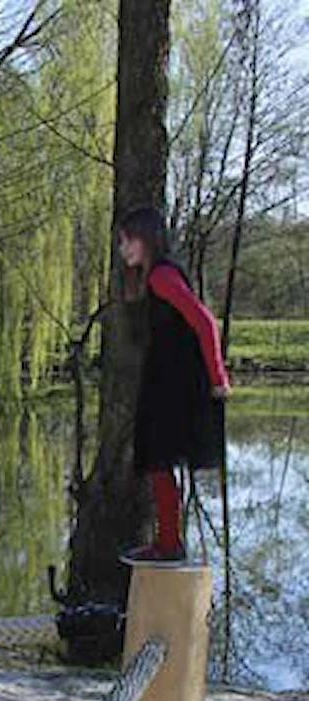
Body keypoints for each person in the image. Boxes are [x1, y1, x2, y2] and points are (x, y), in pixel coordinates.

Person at [115, 206, 231, 563]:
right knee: (159, 461)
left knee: (159, 458)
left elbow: (204, 321)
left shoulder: (162, 276)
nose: (122, 249)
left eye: (128, 241)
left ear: (147, 239)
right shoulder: (156, 276)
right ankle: (168, 541)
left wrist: (218, 377)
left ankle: (169, 544)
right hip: (166, 380)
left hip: (173, 385)